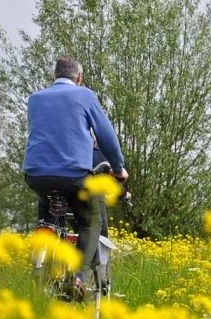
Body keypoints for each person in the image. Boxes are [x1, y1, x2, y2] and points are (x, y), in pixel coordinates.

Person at [22, 56, 129, 296]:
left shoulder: (35, 99)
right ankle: (79, 278)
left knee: (48, 207)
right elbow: (106, 136)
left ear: (54, 75)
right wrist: (118, 169)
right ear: (78, 78)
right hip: (74, 175)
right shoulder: (85, 95)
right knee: (91, 222)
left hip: (35, 174)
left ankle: (45, 238)